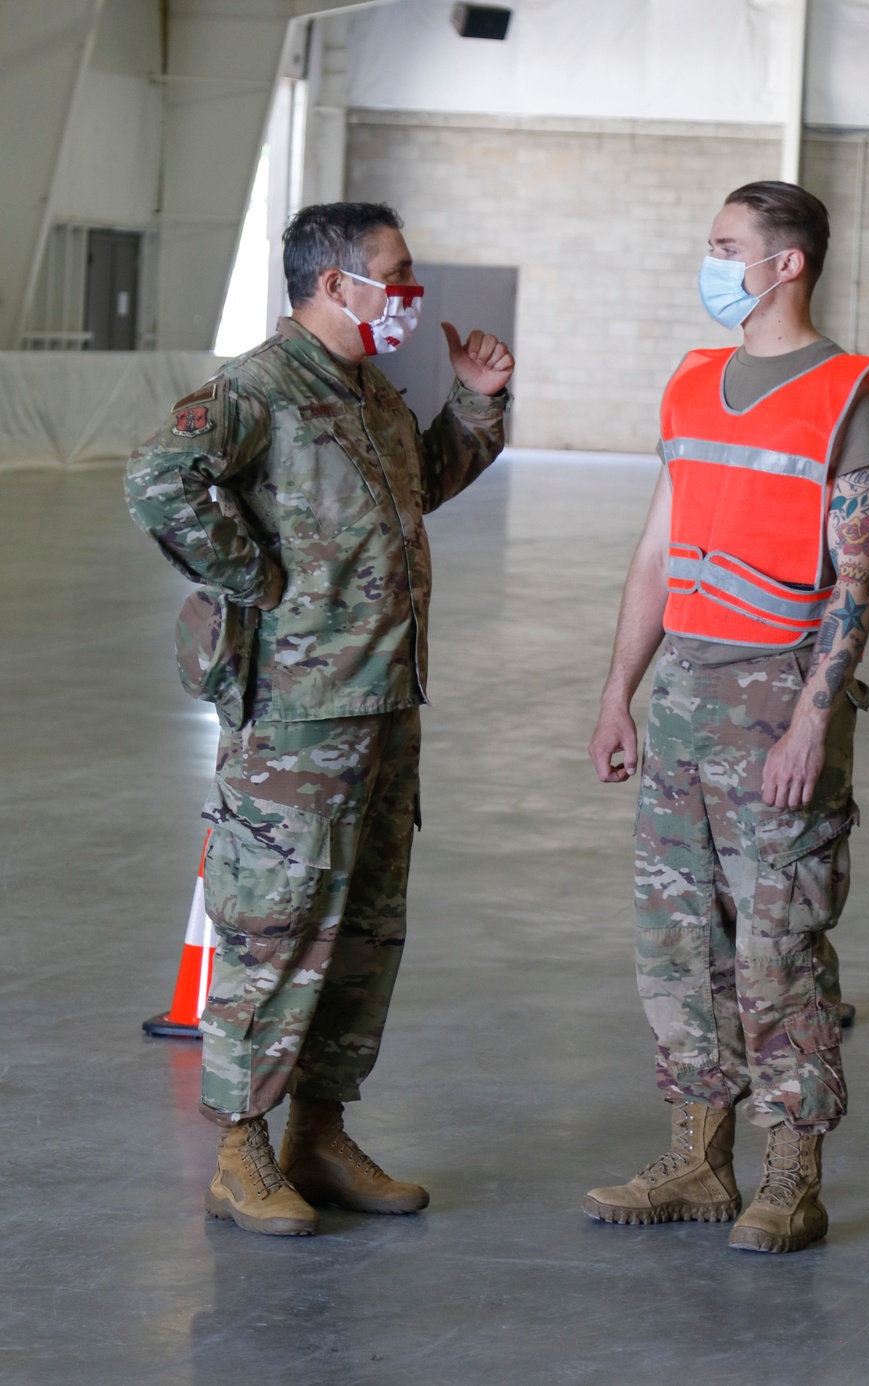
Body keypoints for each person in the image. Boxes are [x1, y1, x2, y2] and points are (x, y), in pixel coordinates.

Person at [126, 202, 514, 1237]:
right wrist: (257, 578)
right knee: (276, 927)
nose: (411, 289)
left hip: (384, 702)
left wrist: (475, 407)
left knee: (364, 930)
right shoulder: (261, 388)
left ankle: (319, 1132)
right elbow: (159, 482)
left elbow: (416, 488)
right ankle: (241, 1150)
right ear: (334, 284)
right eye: (394, 271)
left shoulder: (366, 392)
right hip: (298, 718)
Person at [582, 182, 869, 1253]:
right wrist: (616, 693)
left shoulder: (846, 393)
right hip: (680, 700)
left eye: (727, 248)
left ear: (787, 265)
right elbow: (653, 551)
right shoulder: (691, 383)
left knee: (778, 951)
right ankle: (696, 1161)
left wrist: (814, 723)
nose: (709, 264)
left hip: (779, 704)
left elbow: (857, 580)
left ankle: (789, 1178)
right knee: (677, 946)